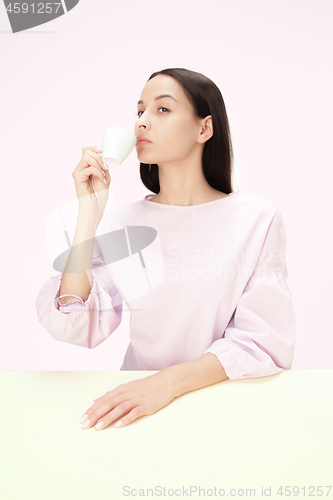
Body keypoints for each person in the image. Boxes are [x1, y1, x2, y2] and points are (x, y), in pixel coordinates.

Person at [35, 67, 296, 432]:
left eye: (162, 109)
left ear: (204, 129)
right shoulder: (126, 222)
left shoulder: (256, 219)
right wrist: (89, 215)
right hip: (138, 413)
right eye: (139, 111)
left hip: (223, 406)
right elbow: (75, 324)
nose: (141, 122)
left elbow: (263, 342)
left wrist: (165, 383)